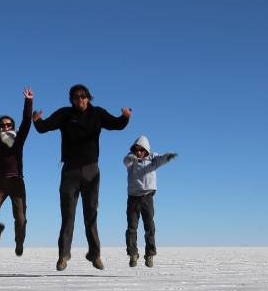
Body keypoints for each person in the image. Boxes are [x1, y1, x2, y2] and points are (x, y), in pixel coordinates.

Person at [33, 84, 130, 270]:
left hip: (91, 170)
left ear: (89, 97)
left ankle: (95, 254)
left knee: (91, 213)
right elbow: (45, 127)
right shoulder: (65, 114)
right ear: (71, 99)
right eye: (76, 96)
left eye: (84, 95)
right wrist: (37, 121)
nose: (80, 99)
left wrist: (125, 117)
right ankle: (63, 255)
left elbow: (115, 124)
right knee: (68, 214)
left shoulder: (97, 113)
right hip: (70, 171)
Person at [0, 88, 33, 255]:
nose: (6, 127)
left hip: (17, 182)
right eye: (2, 125)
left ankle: (19, 242)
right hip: (0, 183)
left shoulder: (19, 138)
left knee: (21, 218)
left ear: (13, 127)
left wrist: (28, 101)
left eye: (9, 125)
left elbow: (27, 121)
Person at [124, 136, 178, 268]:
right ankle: (133, 254)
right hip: (133, 198)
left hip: (147, 197)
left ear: (146, 150)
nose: (138, 152)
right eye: (136, 150)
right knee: (132, 228)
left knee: (149, 226)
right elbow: (126, 161)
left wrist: (169, 156)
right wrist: (133, 158)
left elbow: (162, 159)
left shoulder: (153, 159)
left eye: (141, 150)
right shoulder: (132, 158)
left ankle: (149, 254)